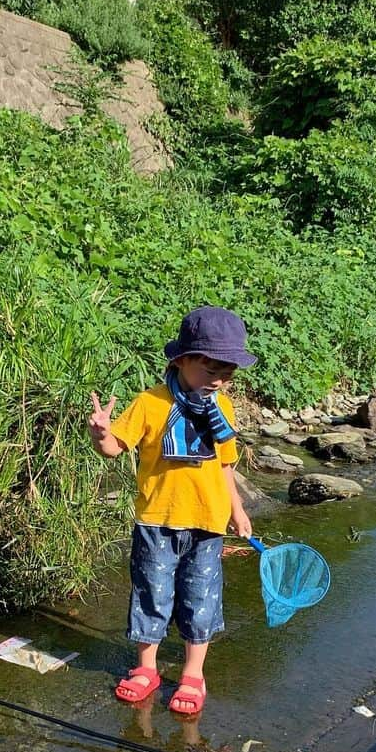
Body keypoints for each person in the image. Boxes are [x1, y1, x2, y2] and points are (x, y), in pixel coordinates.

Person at [88, 305, 255, 718]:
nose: (218, 379)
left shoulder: (224, 407)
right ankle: (147, 669)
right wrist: (102, 433)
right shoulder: (151, 403)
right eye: (210, 368)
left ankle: (193, 673)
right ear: (181, 360)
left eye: (228, 371)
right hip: (156, 520)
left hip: (208, 521)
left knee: (201, 597)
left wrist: (237, 510)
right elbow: (114, 449)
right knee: (151, 593)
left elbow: (225, 465)